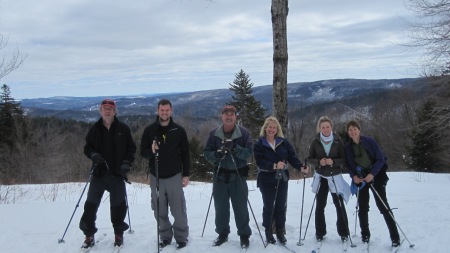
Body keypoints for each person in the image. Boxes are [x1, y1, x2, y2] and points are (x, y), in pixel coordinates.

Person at [79, 99, 136, 250]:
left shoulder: (123, 129)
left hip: (117, 174)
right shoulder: (95, 129)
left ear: (115, 111)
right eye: (105, 108)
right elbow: (87, 147)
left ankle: (118, 233)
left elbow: (131, 148)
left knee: (118, 206)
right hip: (99, 173)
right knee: (90, 206)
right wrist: (93, 155)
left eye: (110, 108)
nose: (108, 110)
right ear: (100, 110)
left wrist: (126, 163)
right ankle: (89, 234)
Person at [140, 99, 190, 249]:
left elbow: (185, 154)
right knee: (159, 210)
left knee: (178, 209)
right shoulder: (149, 131)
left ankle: (181, 237)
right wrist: (152, 151)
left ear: (171, 111)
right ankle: (166, 236)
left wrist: (186, 174)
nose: (164, 113)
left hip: (174, 175)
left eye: (167, 110)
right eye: (162, 110)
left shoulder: (178, 130)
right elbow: (143, 153)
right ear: (157, 111)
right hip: (156, 177)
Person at [253, 116, 309, 245]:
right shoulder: (259, 144)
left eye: (274, 127)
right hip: (266, 179)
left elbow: (292, 157)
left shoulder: (283, 142)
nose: (272, 129)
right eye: (269, 127)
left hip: (282, 179)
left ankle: (280, 232)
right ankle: (268, 232)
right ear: (265, 128)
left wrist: (301, 167)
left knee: (280, 206)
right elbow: (260, 162)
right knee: (268, 207)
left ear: (277, 129)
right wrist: (274, 165)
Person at [203, 105, 253, 249]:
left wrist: (235, 149)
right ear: (222, 116)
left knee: (241, 207)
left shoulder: (244, 133)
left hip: (238, 175)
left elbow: (249, 152)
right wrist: (216, 155)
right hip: (220, 175)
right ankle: (222, 234)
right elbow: (207, 152)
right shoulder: (214, 134)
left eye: (232, 114)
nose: (229, 116)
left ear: (235, 116)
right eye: (226, 114)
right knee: (221, 207)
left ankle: (244, 235)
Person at [344, 120, 400, 247]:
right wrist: (353, 176)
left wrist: (372, 174)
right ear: (348, 133)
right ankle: (365, 235)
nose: (353, 132)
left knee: (383, 206)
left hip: (376, 176)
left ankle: (395, 237)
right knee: (362, 207)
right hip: (361, 178)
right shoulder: (347, 148)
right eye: (350, 130)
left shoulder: (370, 141)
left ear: (359, 129)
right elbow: (348, 165)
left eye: (355, 129)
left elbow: (380, 159)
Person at [308, 116, 350, 243]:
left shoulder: (338, 140)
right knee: (320, 206)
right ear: (319, 128)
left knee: (339, 205)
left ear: (331, 127)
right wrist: (319, 162)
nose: (325, 129)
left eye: (327, 127)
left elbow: (344, 159)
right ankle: (320, 233)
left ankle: (343, 233)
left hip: (335, 176)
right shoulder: (315, 141)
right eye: (323, 127)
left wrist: (333, 161)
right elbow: (310, 158)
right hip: (321, 177)